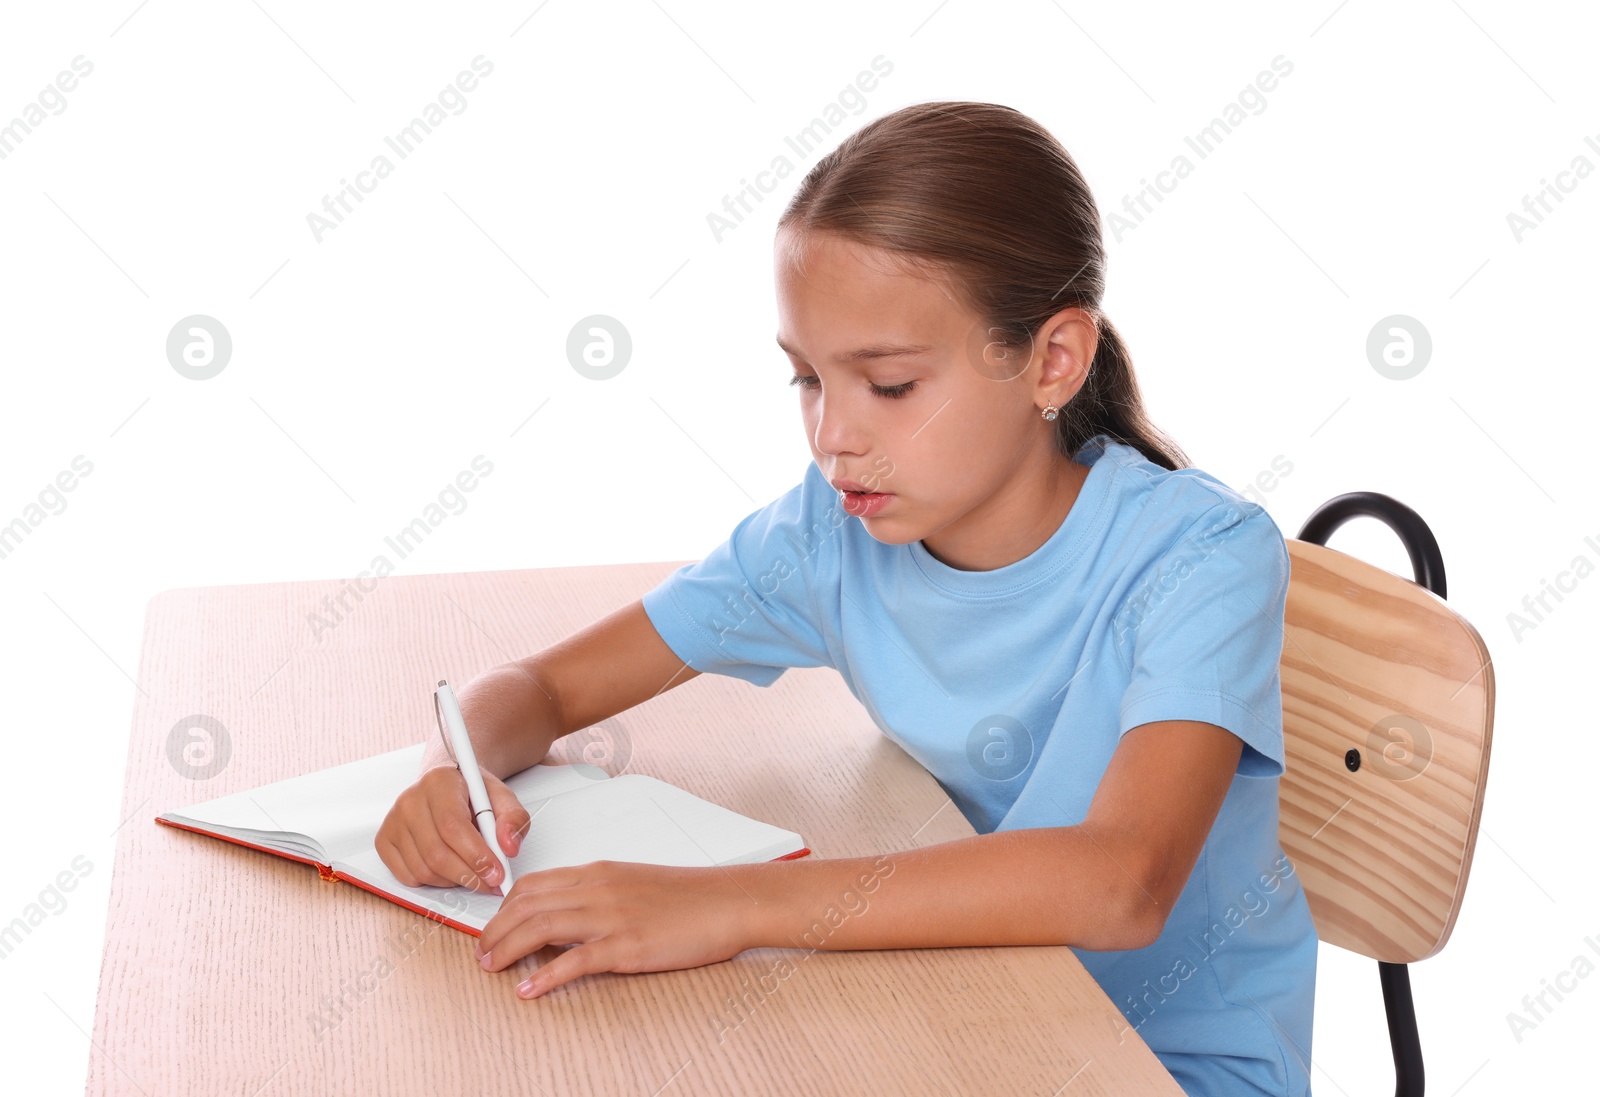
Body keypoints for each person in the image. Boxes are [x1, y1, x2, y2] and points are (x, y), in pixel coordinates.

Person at [376, 100, 1317, 1097]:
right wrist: (456, 766)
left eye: (891, 385)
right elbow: (545, 687)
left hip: (1163, 1064)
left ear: (1050, 361)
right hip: (955, 1012)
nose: (831, 435)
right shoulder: (832, 535)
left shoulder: (1199, 555)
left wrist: (730, 904)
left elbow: (1121, 881)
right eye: (807, 380)